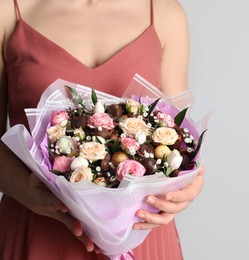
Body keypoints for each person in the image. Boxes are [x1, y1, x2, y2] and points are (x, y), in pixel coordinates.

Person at [0, 0, 205, 259]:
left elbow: (180, 139)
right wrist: (28, 193)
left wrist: (189, 187)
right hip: (38, 228)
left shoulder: (165, 13)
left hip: (140, 235)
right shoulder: (7, 10)